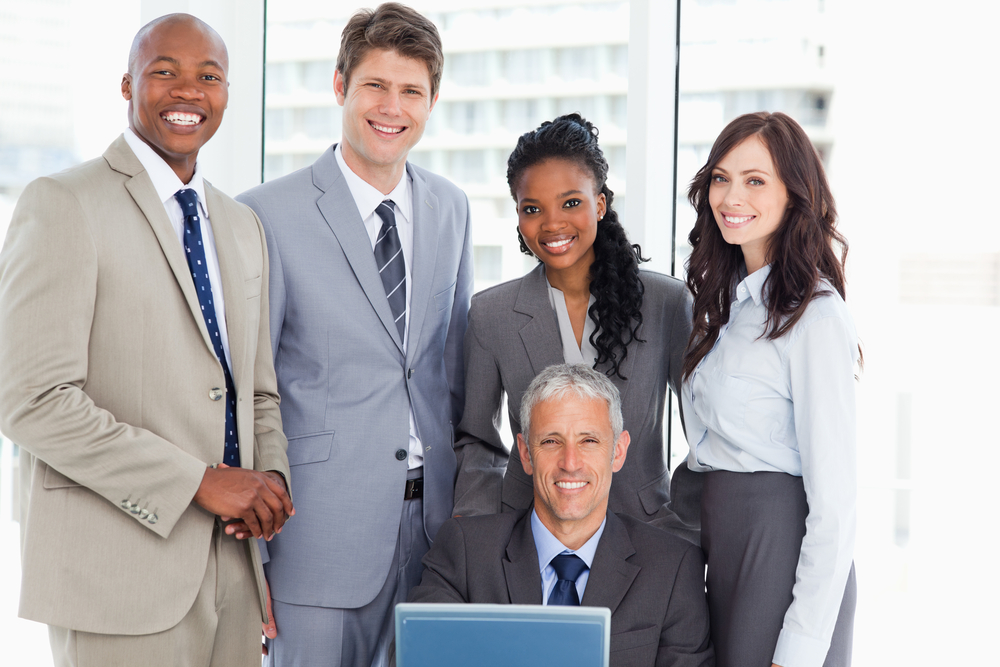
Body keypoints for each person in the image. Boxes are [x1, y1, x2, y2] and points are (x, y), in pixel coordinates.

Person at [0, 14, 293, 667]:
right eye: (165, 71)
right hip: (117, 576)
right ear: (128, 83)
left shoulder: (243, 225)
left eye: (208, 77)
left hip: (236, 572)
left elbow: (257, 389)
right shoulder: (63, 204)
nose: (188, 91)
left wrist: (268, 479)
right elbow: (31, 399)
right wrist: (199, 480)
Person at [236, 4, 472, 666]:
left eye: (411, 91)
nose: (391, 107)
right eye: (375, 85)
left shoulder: (451, 207)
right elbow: (247, 392)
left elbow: (452, 370)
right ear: (340, 86)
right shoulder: (265, 214)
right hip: (314, 540)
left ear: (431, 102)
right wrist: (251, 560)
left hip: (435, 540)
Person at [452, 113, 695, 536]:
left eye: (570, 203)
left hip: (644, 530)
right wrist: (481, 530)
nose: (552, 224)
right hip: (525, 536)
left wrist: (688, 529)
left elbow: (706, 431)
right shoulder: (491, 314)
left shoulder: (667, 304)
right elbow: (476, 438)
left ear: (599, 204)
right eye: (532, 209)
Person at [681, 111, 859, 667]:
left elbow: (835, 504)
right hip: (722, 544)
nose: (731, 195)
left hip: (782, 552)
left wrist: (801, 647)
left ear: (794, 195)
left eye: (755, 180)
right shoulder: (725, 305)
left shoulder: (815, 316)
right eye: (720, 177)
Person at [410, 363, 713, 667]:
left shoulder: (673, 567)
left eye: (589, 441)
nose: (570, 462)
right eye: (551, 441)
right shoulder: (464, 550)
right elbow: (417, 655)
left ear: (618, 452)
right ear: (526, 454)